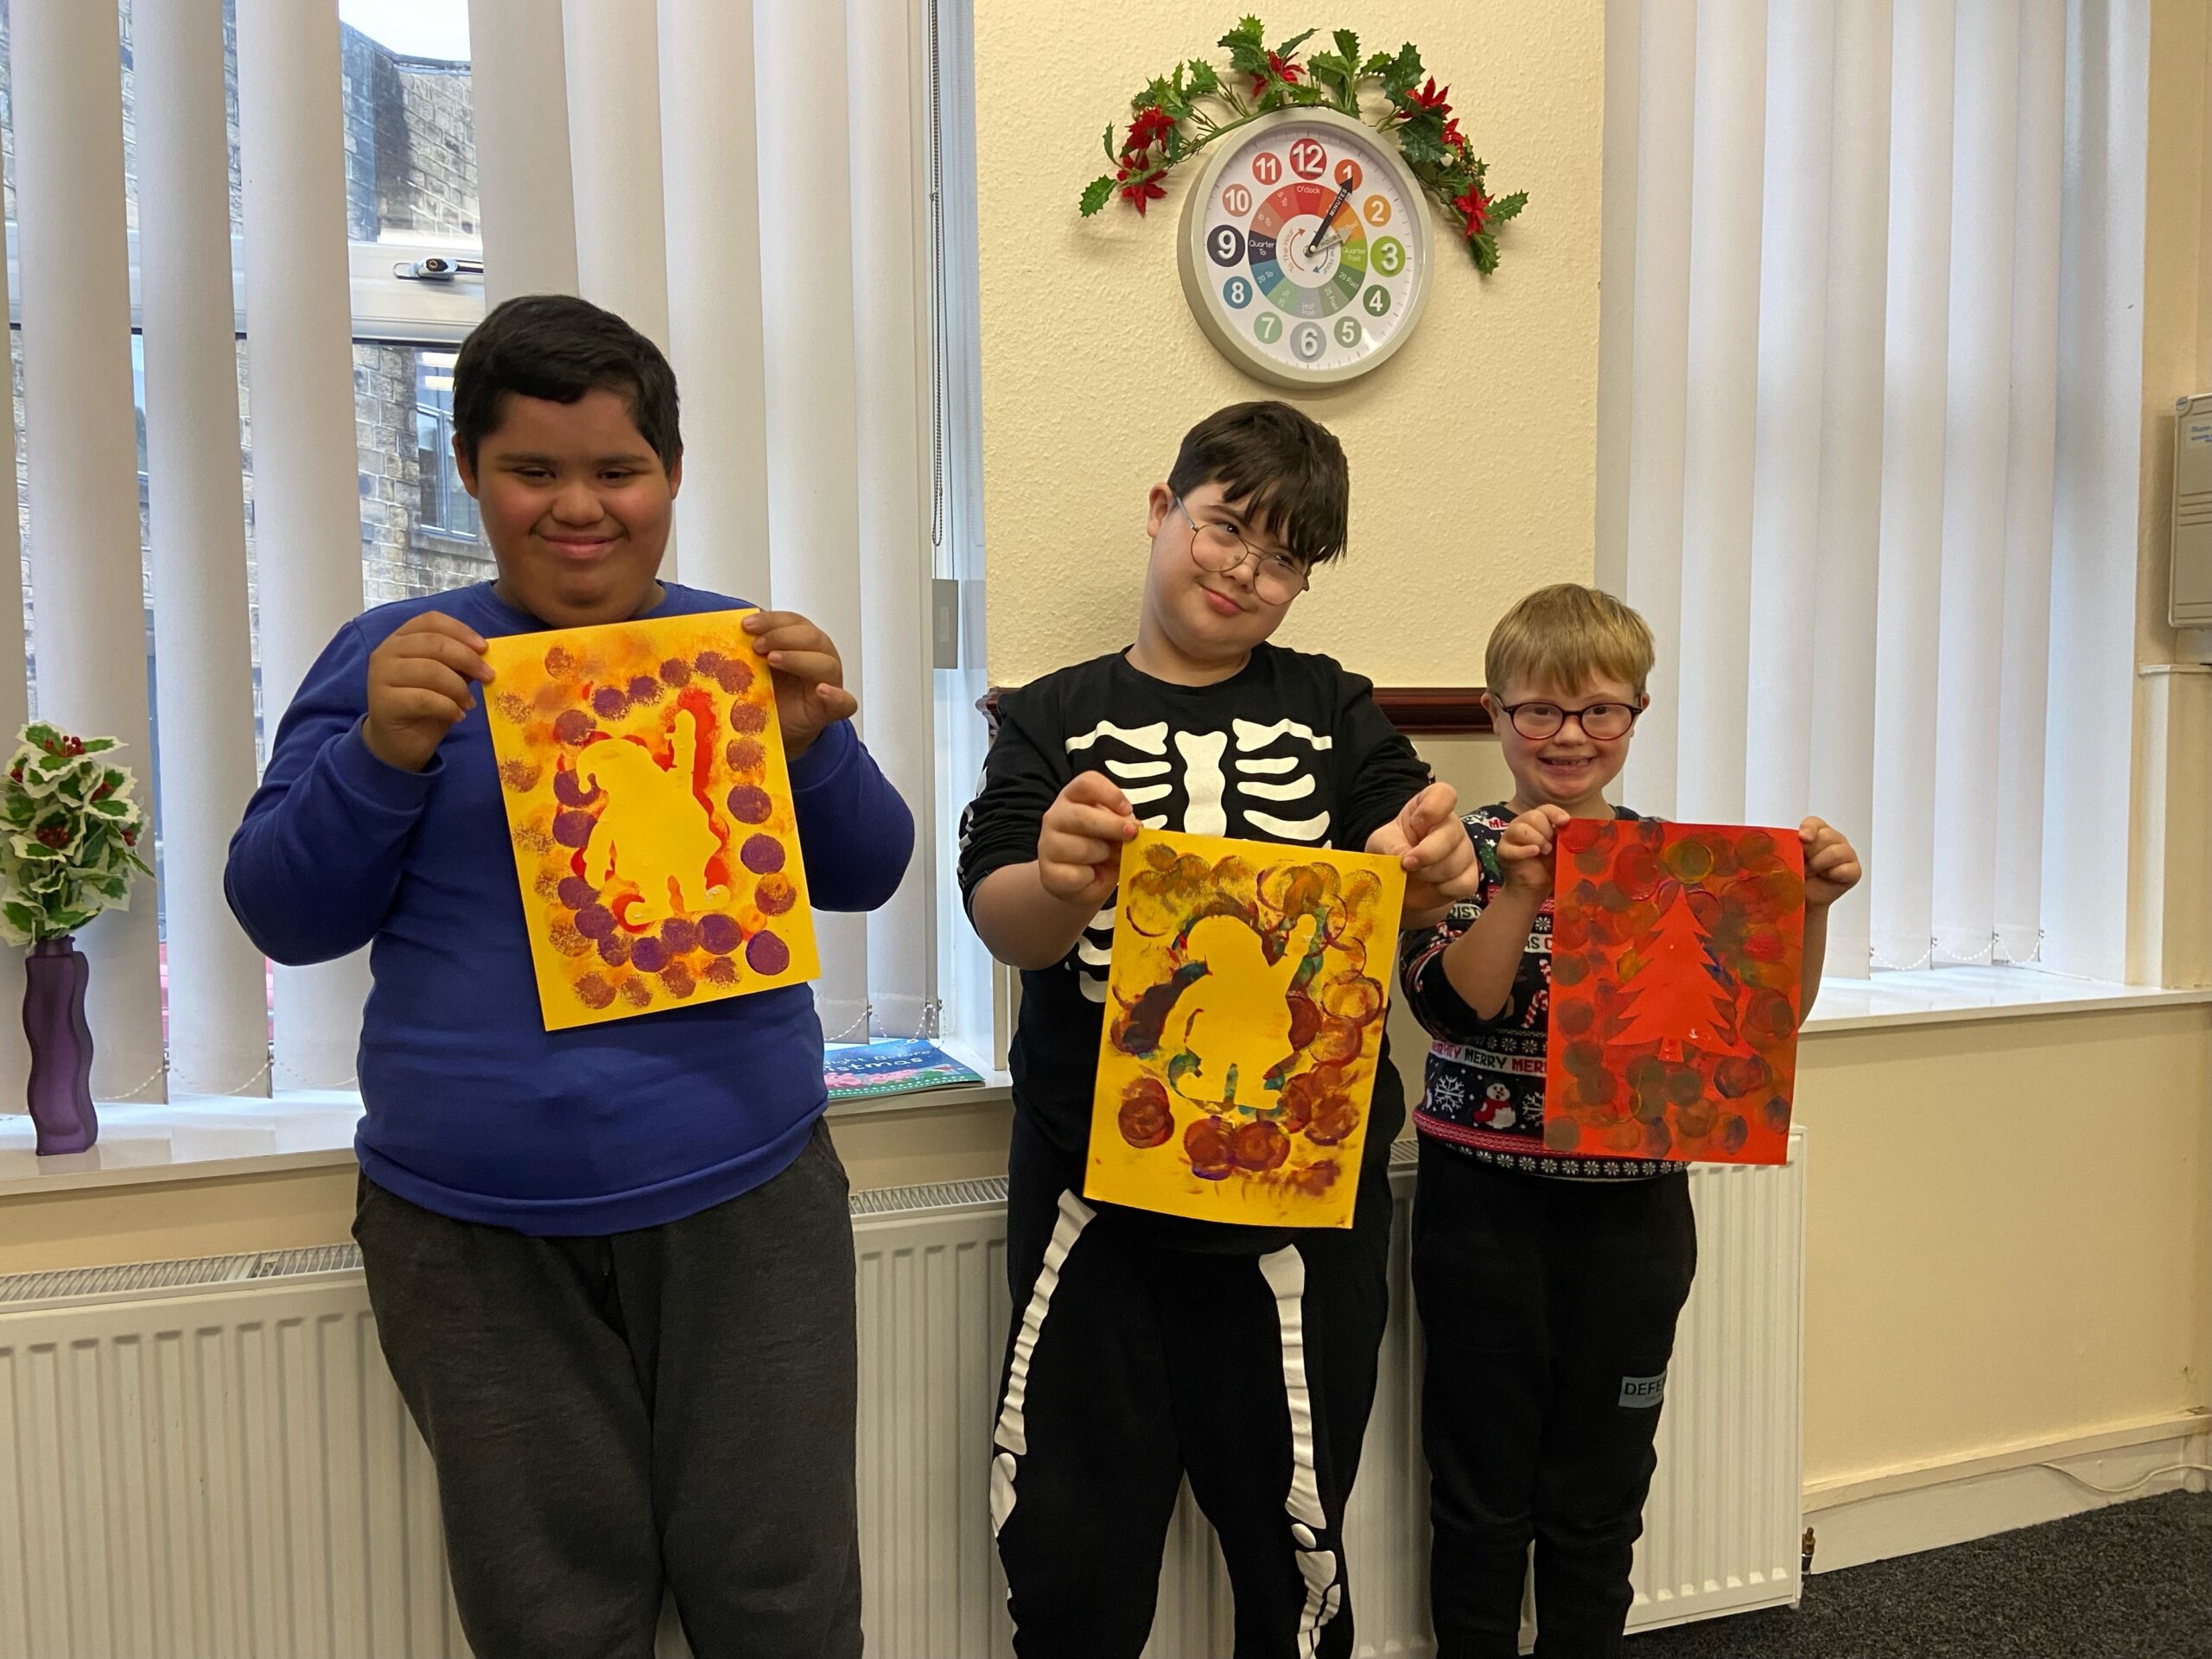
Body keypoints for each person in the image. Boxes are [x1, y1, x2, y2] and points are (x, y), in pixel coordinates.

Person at [225, 293, 911, 1659]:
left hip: (745, 1198)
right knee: (549, 1616)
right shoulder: (396, 660)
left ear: (670, 475)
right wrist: (377, 757)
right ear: (471, 471)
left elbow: (871, 868)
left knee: (781, 1596)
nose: (578, 508)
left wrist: (812, 742)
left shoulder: (738, 652)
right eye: (534, 471)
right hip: (470, 1229)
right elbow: (282, 915)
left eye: (617, 471)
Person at [958, 399, 1479, 1658]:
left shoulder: (1337, 710)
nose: (1244, 569)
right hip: (1096, 1199)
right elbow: (1002, 918)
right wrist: (1064, 879)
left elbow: (1414, 853)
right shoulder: (1049, 714)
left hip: (1304, 1208)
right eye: (1225, 526)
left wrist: (1429, 861)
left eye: (1285, 555)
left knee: (1297, 1549)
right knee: (1070, 1549)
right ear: (1162, 510)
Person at [1396, 582, 1862, 1658]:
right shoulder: (1457, 853)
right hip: (1481, 1213)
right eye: (1541, 711)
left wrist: (1810, 912)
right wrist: (1517, 889)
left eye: (1602, 709)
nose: (1571, 734)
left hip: (1634, 1218)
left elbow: (1759, 1026)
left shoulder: (1679, 865)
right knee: (1476, 1487)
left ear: (1637, 717)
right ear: (1493, 714)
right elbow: (1453, 1003)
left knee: (1602, 1484)